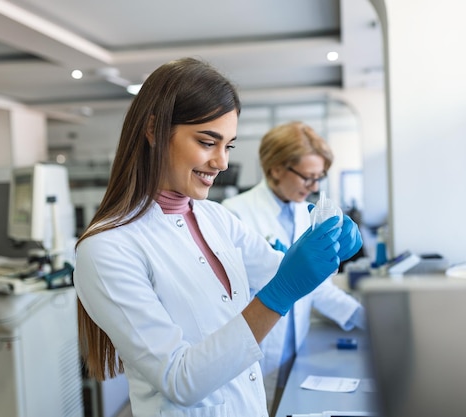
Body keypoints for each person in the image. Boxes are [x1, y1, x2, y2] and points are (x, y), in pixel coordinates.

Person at [73, 57, 363, 417]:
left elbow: (281, 270)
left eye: (229, 146)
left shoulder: (215, 218)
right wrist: (280, 293)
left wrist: (328, 249)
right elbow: (178, 379)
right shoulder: (107, 249)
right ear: (153, 130)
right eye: (208, 142)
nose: (222, 162)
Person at [221, 121, 366, 414]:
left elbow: (313, 287)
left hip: (293, 350)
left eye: (318, 178)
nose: (314, 187)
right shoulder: (235, 213)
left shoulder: (305, 211)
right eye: (307, 177)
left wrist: (363, 317)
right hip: (255, 355)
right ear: (275, 168)